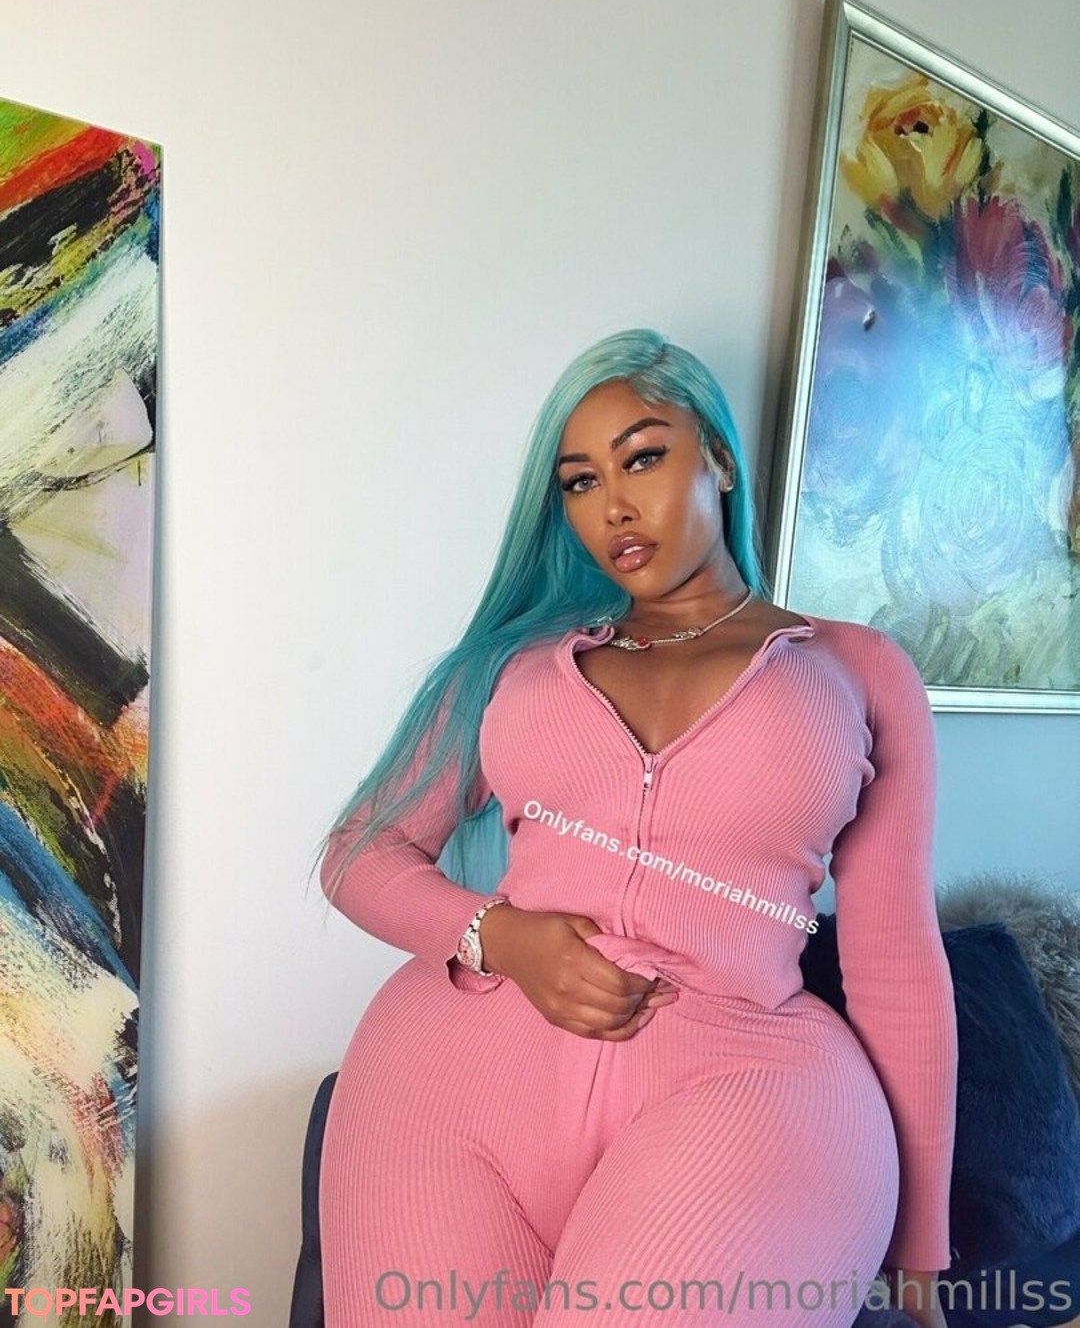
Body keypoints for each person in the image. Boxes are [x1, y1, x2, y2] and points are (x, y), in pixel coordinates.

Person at [312, 328, 958, 1328]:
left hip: (742, 1091)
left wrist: (921, 1253)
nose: (613, 504)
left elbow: (896, 963)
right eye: (580, 481)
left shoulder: (856, 671)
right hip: (454, 1089)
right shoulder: (516, 665)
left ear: (720, 459)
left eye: (643, 457)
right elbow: (360, 852)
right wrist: (502, 937)